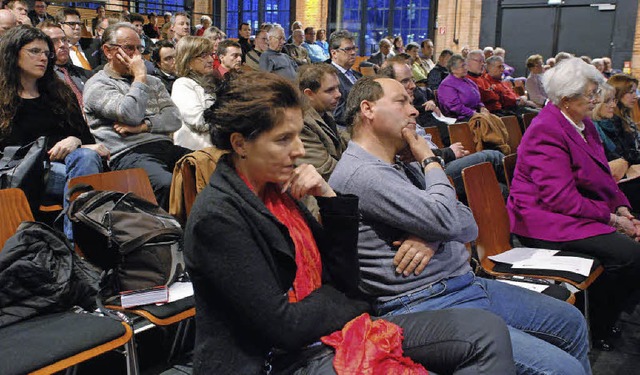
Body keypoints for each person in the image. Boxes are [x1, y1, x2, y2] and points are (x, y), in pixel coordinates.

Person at [185, 70, 517, 375]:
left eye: (299, 136)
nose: (299, 150)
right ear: (240, 144)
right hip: (274, 359)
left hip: (328, 332)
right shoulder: (218, 216)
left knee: (485, 331)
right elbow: (284, 327)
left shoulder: (279, 194)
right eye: (284, 139)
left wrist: (329, 198)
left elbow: (343, 276)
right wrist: (350, 302)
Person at [329, 75, 592, 375]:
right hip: (423, 302)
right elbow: (448, 218)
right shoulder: (363, 174)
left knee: (571, 323)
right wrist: (431, 161)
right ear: (368, 109)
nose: (414, 110)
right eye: (401, 101)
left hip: (463, 283)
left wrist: (433, 237)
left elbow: (467, 220)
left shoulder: (398, 162)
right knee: (563, 369)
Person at [507, 58, 640, 351]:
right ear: (566, 100)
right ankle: (598, 325)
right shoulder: (547, 129)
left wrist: (621, 209)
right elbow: (559, 198)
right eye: (590, 94)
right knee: (629, 255)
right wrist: (612, 221)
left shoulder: (584, 124)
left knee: (632, 239)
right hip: (543, 219)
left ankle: (607, 313)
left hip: (573, 210)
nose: (595, 100)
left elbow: (602, 175)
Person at [0, 26, 107, 240]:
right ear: (13, 53)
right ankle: (81, 242)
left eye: (46, 53)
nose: (44, 58)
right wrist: (60, 144)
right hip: (15, 171)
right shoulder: (3, 98)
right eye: (34, 51)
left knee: (86, 159)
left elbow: (85, 141)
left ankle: (75, 241)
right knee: (89, 181)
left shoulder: (59, 93)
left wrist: (75, 140)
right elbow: (10, 148)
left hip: (63, 170)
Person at [83, 23, 190, 209]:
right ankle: (173, 235)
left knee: (208, 168)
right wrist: (140, 78)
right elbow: (129, 114)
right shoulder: (97, 85)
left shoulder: (155, 82)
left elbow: (174, 119)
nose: (137, 56)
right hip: (128, 154)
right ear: (108, 51)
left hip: (164, 146)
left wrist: (144, 126)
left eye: (139, 49)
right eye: (129, 48)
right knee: (167, 184)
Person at [379, 58, 507, 201]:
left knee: (498, 188)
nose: (413, 85)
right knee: (493, 157)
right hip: (429, 172)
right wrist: (449, 152)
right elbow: (413, 157)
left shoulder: (409, 110)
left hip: (438, 162)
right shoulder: (390, 118)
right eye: (405, 81)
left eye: (412, 80)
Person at [593, 74, 640, 211]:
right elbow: (621, 157)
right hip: (614, 184)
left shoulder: (621, 118)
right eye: (630, 92)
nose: (635, 96)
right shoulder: (606, 123)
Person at [297, 63, 347, 180]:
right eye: (330, 90)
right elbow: (326, 170)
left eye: (337, 88)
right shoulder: (301, 124)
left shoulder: (324, 112)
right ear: (309, 94)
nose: (338, 94)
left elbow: (346, 141)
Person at [170, 36, 217, 151]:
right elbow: (200, 121)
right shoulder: (183, 84)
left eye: (211, 54)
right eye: (203, 56)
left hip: (214, 149)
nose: (211, 60)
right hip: (198, 154)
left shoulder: (209, 83)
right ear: (188, 60)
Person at [38, 20, 92, 110]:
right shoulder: (40, 78)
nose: (62, 45)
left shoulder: (83, 73)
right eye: (54, 41)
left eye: (64, 40)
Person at [438, 54, 489, 121]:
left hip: (476, 115)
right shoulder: (447, 85)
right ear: (453, 69)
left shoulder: (468, 81)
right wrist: (474, 114)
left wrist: (482, 107)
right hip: (460, 119)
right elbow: (455, 107)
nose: (466, 68)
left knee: (495, 120)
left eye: (465, 65)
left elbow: (477, 100)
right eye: (462, 66)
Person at [328, 29, 361, 127]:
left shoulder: (358, 75)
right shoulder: (329, 76)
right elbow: (337, 113)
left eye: (354, 48)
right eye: (348, 49)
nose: (353, 53)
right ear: (334, 53)